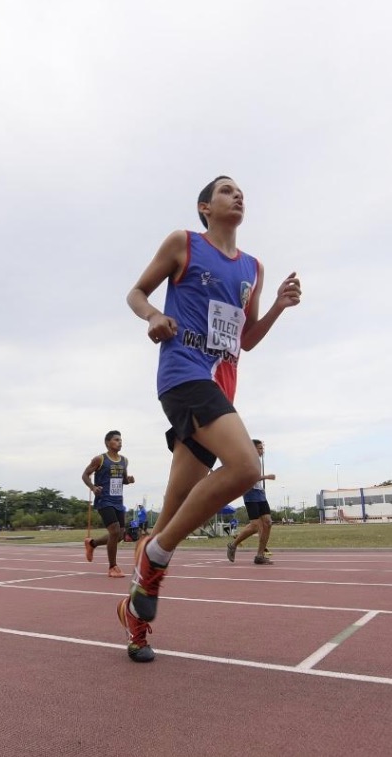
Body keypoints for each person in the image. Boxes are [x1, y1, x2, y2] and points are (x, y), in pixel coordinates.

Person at [118, 175, 302, 663]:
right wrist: (153, 316)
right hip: (184, 377)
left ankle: (135, 621)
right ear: (205, 207)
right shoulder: (184, 244)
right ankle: (157, 560)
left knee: (167, 518)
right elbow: (135, 293)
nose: (237, 195)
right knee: (245, 468)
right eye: (226, 190)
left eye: (241, 191)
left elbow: (246, 339)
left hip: (220, 388)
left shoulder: (253, 270)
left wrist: (279, 307)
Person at [82, 430, 135, 577]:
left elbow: (123, 480)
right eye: (116, 440)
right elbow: (85, 475)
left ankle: (92, 544)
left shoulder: (124, 460)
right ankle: (113, 567)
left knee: (119, 535)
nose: (120, 442)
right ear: (107, 443)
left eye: (121, 440)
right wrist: (93, 487)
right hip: (104, 500)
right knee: (114, 530)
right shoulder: (100, 459)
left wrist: (129, 480)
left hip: (118, 501)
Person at [226, 439, 276, 564]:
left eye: (262, 448)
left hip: (260, 494)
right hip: (250, 494)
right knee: (255, 527)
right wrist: (266, 477)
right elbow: (249, 477)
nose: (262, 451)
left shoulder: (257, 461)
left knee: (268, 523)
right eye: (259, 448)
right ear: (252, 449)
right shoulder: (246, 460)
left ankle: (259, 556)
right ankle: (233, 545)